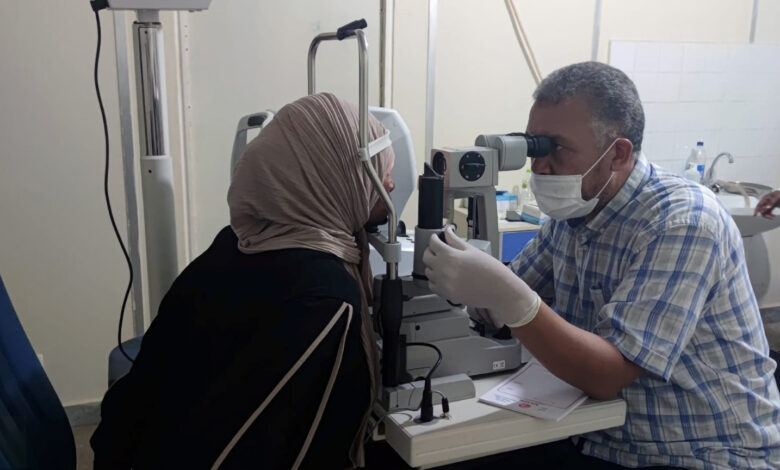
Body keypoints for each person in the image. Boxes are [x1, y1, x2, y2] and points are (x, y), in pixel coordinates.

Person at [423, 62, 780, 469]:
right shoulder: (572, 215)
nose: (539, 166)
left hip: (698, 452)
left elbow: (607, 374)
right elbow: (497, 306)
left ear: (618, 154)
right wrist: (460, 277)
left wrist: (509, 296)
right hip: (599, 435)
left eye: (556, 148)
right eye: (534, 146)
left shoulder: (683, 223)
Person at [91, 92, 395, 469]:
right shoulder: (328, 303)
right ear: (336, 177)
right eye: (380, 172)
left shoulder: (241, 243)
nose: (390, 186)